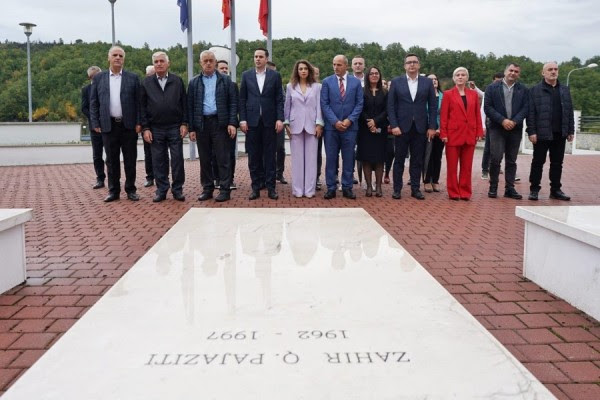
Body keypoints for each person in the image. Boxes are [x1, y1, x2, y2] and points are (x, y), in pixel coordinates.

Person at [89, 46, 141, 202]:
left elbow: (139, 103)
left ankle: (131, 189)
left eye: (120, 55)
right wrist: (95, 122)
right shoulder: (99, 78)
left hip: (128, 126)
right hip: (108, 125)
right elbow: (94, 103)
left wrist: (139, 122)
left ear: (124, 59)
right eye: (115, 55)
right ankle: (113, 191)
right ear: (109, 58)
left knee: (130, 159)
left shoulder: (133, 78)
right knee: (111, 160)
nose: (118, 58)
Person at [188, 50, 239, 202]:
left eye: (211, 60)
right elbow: (190, 106)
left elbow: (233, 103)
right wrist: (191, 128)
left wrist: (232, 123)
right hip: (202, 124)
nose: (208, 63)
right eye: (205, 61)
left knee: (223, 158)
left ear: (215, 62)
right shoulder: (194, 83)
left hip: (220, 123)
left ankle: (224, 189)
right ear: (200, 63)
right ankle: (207, 189)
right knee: (205, 159)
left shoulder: (226, 81)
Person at [387, 53, 437, 200]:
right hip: (401, 128)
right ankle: (397, 189)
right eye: (409, 62)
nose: (412, 64)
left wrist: (432, 126)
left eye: (415, 62)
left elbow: (433, 106)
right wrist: (394, 125)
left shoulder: (427, 82)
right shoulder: (396, 82)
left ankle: (415, 189)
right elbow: (391, 106)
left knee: (417, 160)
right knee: (399, 160)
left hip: (421, 127)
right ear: (405, 66)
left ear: (419, 65)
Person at [140, 51, 188, 203]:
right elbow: (142, 107)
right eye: (156, 62)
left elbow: (184, 103)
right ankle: (161, 190)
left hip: (175, 127)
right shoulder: (146, 83)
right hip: (155, 128)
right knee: (158, 161)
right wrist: (145, 128)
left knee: (177, 160)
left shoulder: (177, 81)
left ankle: (177, 189)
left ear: (168, 63)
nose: (159, 64)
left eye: (162, 61)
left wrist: (184, 123)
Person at [239, 47, 285, 200]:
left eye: (260, 56)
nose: (257, 59)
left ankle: (271, 188)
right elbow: (242, 99)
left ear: (266, 59)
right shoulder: (246, 75)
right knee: (254, 156)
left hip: (269, 122)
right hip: (251, 123)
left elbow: (279, 99)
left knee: (270, 155)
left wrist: (280, 118)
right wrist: (243, 119)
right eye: (255, 56)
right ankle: (256, 187)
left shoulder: (275, 76)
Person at [526, 61, 574, 201]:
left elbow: (569, 111)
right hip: (541, 133)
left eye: (555, 69)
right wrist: (531, 131)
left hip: (560, 133)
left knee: (557, 163)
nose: (553, 71)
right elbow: (531, 113)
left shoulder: (564, 90)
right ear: (543, 73)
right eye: (550, 69)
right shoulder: (535, 90)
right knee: (538, 162)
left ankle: (555, 190)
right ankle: (534, 189)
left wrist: (570, 130)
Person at [320, 54, 364, 199]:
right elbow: (324, 104)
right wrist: (335, 121)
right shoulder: (326, 82)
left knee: (349, 158)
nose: (335, 67)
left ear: (346, 66)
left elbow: (359, 104)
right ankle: (331, 187)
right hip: (331, 128)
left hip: (350, 128)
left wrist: (349, 120)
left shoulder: (356, 83)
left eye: (339, 65)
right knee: (331, 159)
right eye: (334, 64)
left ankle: (347, 187)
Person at [484, 63, 529, 200]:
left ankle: (510, 188)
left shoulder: (523, 89)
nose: (513, 73)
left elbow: (526, 108)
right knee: (496, 158)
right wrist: (503, 120)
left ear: (518, 74)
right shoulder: (492, 88)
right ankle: (493, 187)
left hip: (515, 129)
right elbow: (488, 107)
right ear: (505, 72)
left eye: (516, 71)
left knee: (511, 160)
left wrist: (514, 121)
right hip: (497, 128)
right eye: (511, 70)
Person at [439, 67, 484, 201]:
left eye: (463, 75)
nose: (460, 77)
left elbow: (477, 114)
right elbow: (444, 116)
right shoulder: (448, 94)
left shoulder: (473, 94)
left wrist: (479, 131)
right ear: (454, 78)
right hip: (452, 135)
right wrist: (443, 133)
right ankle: (453, 191)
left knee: (467, 167)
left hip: (469, 134)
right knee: (452, 167)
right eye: (457, 75)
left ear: (467, 78)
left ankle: (465, 191)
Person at [284, 60, 323, 198]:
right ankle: (298, 190)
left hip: (312, 126)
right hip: (295, 126)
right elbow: (287, 106)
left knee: (311, 160)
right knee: (297, 160)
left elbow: (319, 106)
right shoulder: (290, 87)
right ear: (297, 71)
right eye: (300, 69)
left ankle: (310, 190)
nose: (303, 71)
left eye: (305, 68)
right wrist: (286, 124)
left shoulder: (317, 87)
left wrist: (319, 124)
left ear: (309, 70)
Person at [357, 66, 388, 197]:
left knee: (380, 158)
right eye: (371, 73)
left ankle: (379, 186)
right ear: (367, 76)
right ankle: (369, 186)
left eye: (376, 73)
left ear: (379, 76)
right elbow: (359, 108)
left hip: (380, 129)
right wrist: (369, 122)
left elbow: (387, 110)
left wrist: (376, 121)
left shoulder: (385, 92)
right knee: (366, 158)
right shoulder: (361, 91)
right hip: (364, 130)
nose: (374, 75)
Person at [81, 65, 105, 189]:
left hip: (108, 125)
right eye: (92, 76)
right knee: (97, 155)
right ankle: (100, 178)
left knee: (112, 154)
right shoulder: (86, 89)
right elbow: (84, 108)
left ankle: (113, 179)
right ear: (89, 77)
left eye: (97, 75)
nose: (95, 78)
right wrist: (95, 119)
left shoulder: (107, 87)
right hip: (94, 127)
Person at [216, 59, 238, 190]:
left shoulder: (232, 85)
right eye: (221, 68)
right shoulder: (211, 84)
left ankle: (230, 179)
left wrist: (232, 122)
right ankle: (217, 179)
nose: (224, 70)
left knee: (229, 153)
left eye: (226, 68)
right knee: (215, 154)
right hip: (215, 125)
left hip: (230, 125)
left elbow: (235, 104)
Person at [266, 61, 288, 185]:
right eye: (271, 70)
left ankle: (279, 173)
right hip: (264, 121)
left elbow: (284, 101)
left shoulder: (279, 85)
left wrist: (282, 119)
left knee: (280, 148)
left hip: (278, 120)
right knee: (265, 149)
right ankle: (267, 174)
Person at [422, 73, 444, 193]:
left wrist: (440, 129)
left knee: (437, 156)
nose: (434, 81)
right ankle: (426, 181)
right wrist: (428, 128)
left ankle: (435, 180)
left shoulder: (444, 96)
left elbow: (447, 114)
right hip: (427, 130)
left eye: (435, 79)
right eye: (431, 79)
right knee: (427, 156)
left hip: (441, 130)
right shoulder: (423, 96)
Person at [481, 72, 504, 179]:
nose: (498, 82)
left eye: (500, 80)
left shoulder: (505, 91)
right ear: (493, 80)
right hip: (491, 123)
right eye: (496, 80)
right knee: (488, 147)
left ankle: (496, 167)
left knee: (502, 147)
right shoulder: (489, 90)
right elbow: (483, 109)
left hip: (503, 123)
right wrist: (483, 125)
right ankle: (485, 169)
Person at [141, 65, 156, 188]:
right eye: (150, 74)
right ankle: (150, 177)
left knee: (162, 153)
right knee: (148, 152)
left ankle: (163, 176)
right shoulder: (143, 86)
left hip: (160, 124)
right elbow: (141, 106)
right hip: (147, 125)